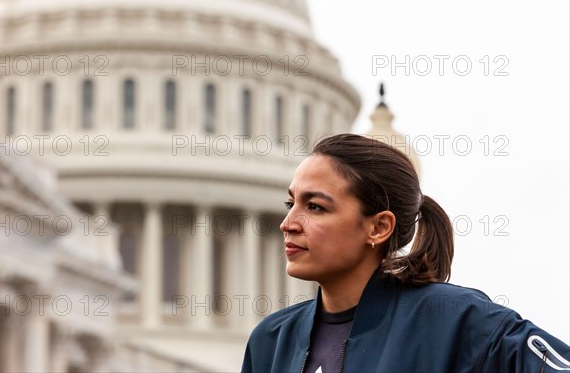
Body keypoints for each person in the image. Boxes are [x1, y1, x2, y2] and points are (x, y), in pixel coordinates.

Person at [241, 133, 570, 373]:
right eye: (290, 203)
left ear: (379, 227)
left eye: (315, 207)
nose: (288, 223)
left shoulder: (460, 321)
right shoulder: (270, 342)